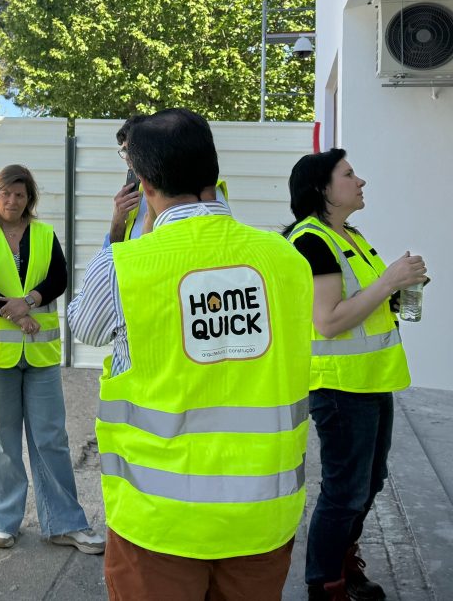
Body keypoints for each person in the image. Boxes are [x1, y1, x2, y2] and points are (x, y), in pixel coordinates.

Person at [68, 108, 314, 600]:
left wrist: (116, 236)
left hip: (160, 522)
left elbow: (84, 327)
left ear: (142, 182)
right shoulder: (285, 257)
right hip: (263, 516)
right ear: (213, 172)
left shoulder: (128, 267)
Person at [283, 149, 426, 601]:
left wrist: (396, 293)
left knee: (369, 482)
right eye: (348, 174)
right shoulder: (312, 241)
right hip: (339, 387)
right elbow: (327, 321)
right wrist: (388, 282)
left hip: (369, 380)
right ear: (323, 189)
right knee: (345, 492)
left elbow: (364, 305)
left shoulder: (349, 235)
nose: (360, 181)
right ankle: (325, 584)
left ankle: (342, 562)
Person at [0, 165, 104, 555]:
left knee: (51, 440)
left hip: (40, 353)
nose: (12, 201)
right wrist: (15, 314)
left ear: (30, 199)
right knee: (1, 441)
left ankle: (65, 522)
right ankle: (4, 521)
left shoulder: (44, 234)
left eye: (20, 195)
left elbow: (59, 278)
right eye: (6, 194)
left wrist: (29, 302)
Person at [108, 113, 229, 244]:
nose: (127, 157)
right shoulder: (135, 192)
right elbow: (114, 247)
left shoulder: (202, 189)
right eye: (124, 151)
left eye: (130, 149)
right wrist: (117, 219)